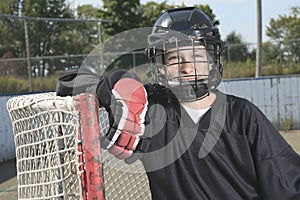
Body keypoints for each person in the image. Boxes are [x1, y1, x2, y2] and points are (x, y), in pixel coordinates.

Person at [57, 7, 300, 200]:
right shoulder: (150, 112)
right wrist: (114, 83)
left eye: (196, 56)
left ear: (212, 61)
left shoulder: (243, 116)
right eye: (175, 58)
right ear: (160, 67)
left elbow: (287, 184)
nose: (186, 66)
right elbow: (68, 81)